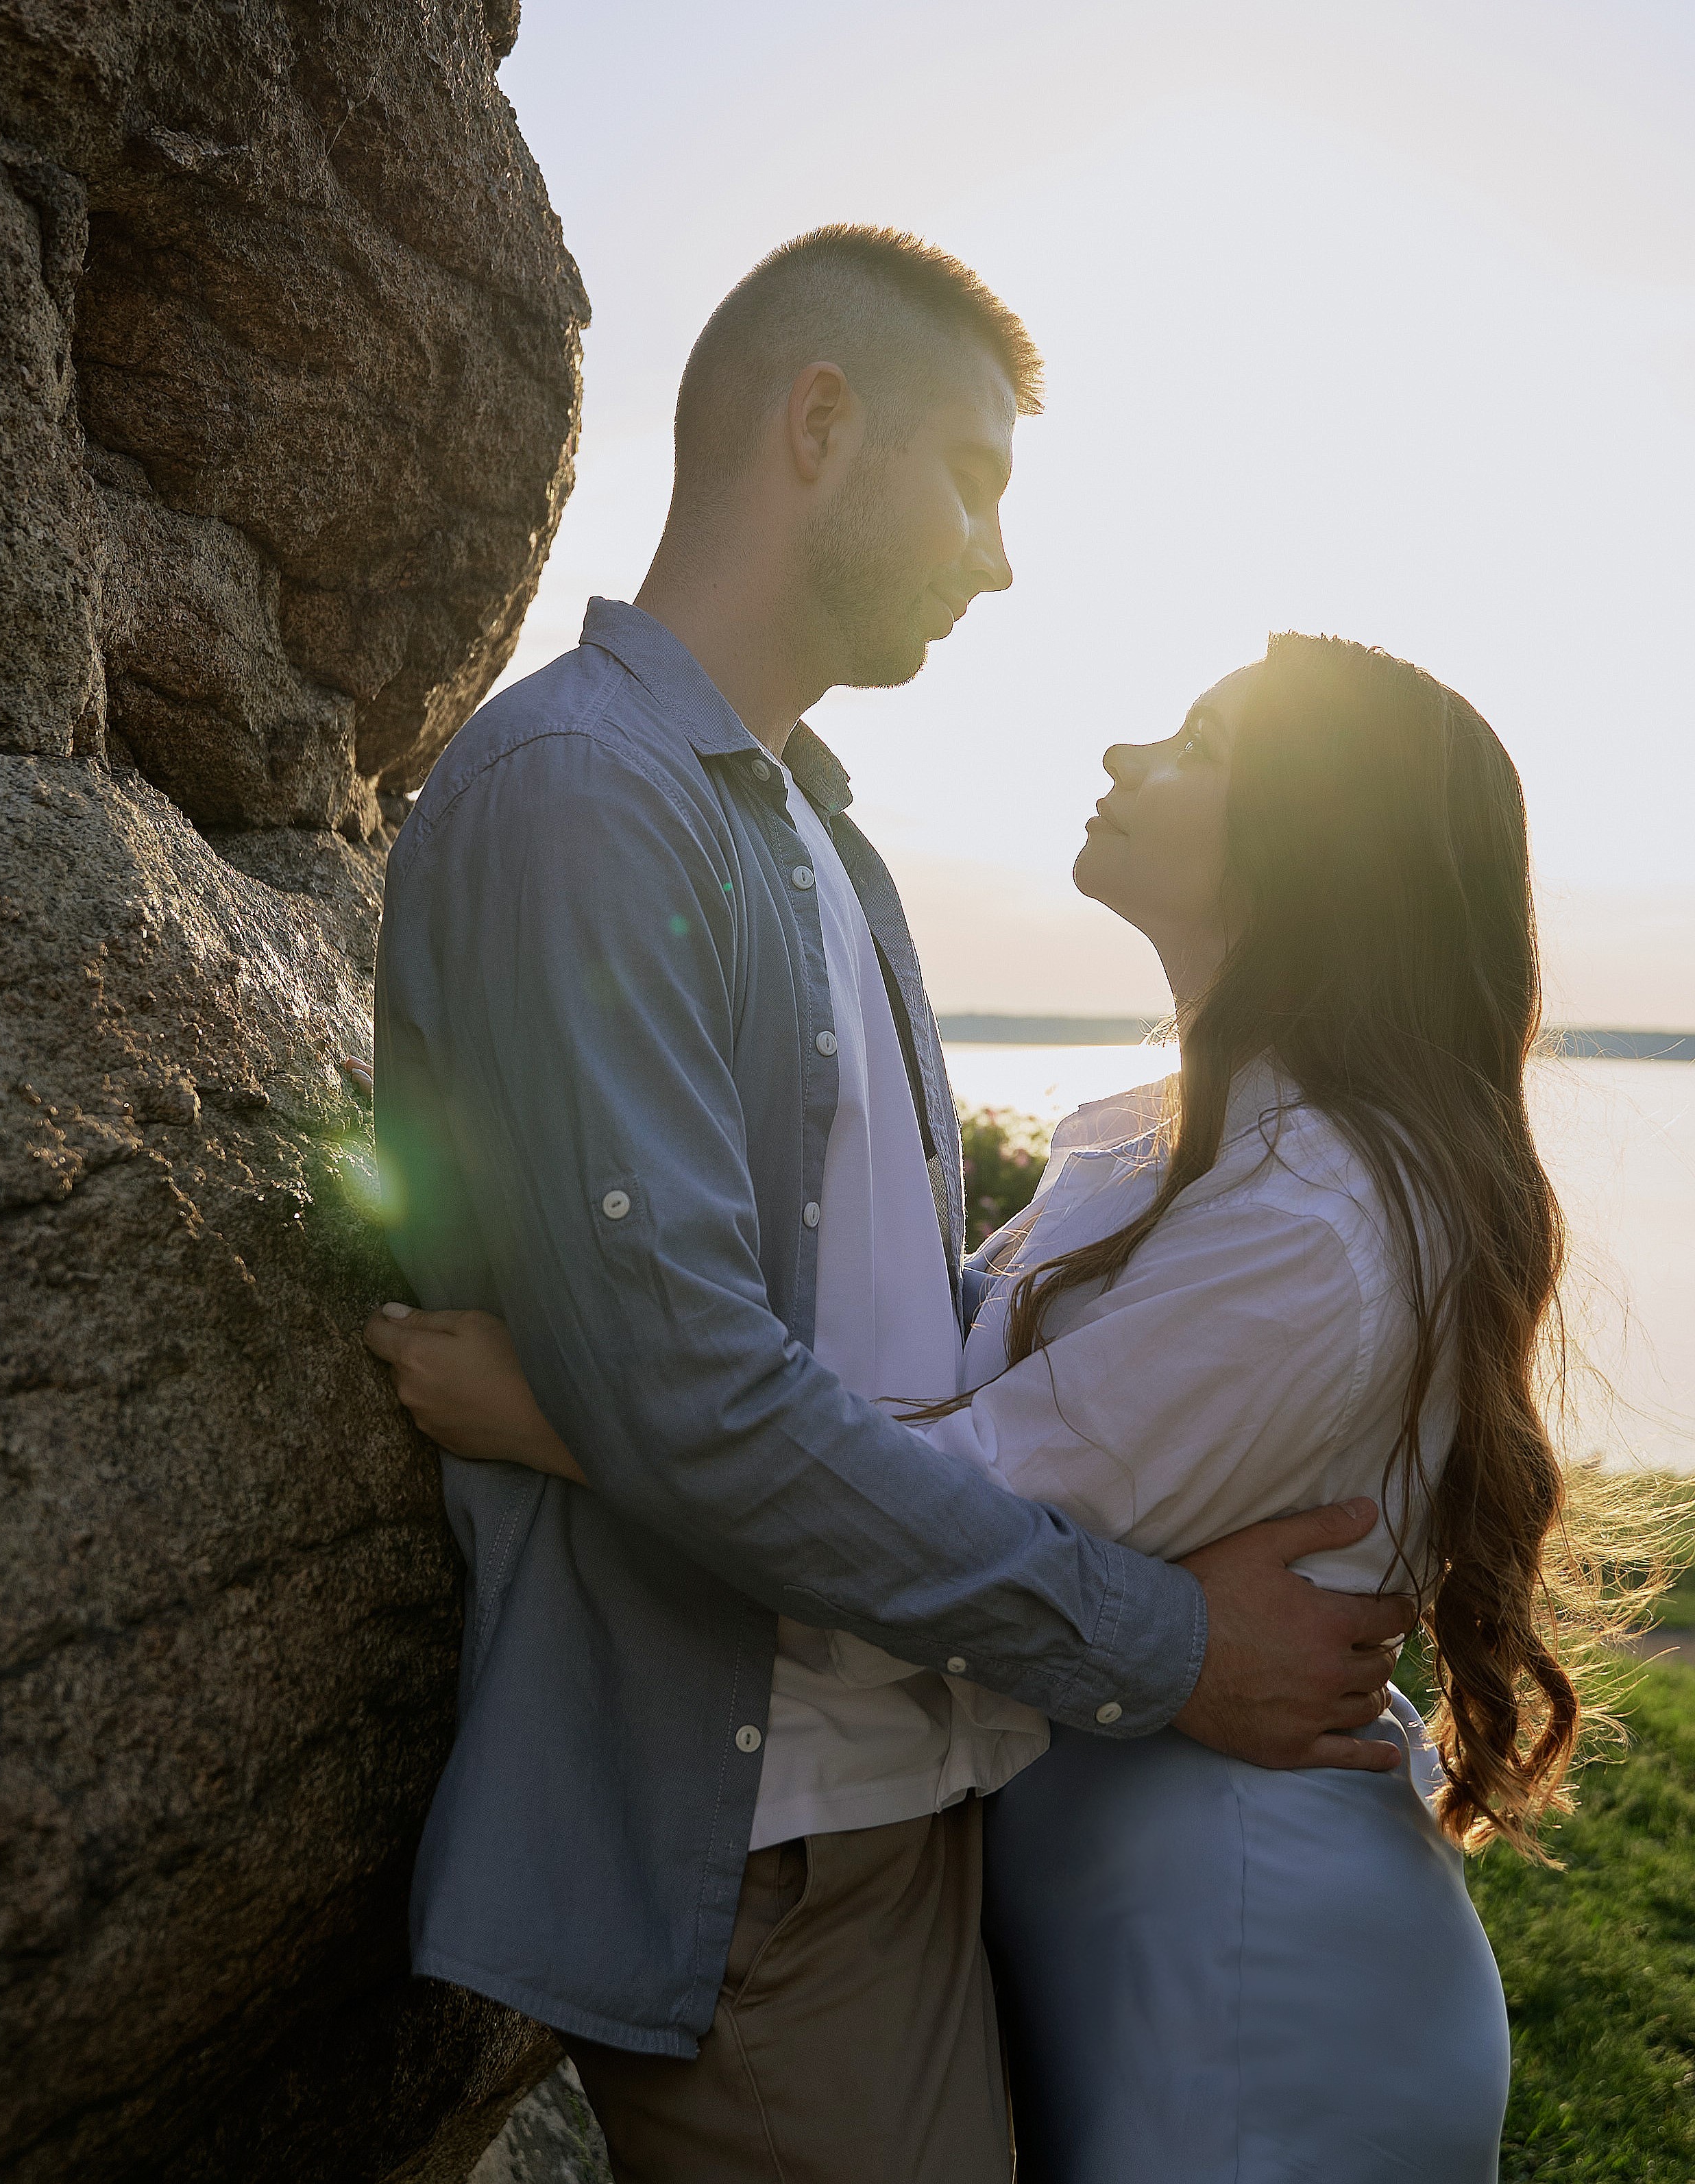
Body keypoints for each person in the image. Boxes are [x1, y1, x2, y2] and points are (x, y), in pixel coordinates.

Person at [366, 226, 1411, 2184]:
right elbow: (705, 1401)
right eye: (979, 478)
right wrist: (1172, 1644)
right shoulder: (586, 799)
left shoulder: (820, 837)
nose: (1000, 557)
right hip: (758, 1841)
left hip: (905, 1791)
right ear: (821, 425)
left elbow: (890, 1330)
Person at [381, 635, 1624, 2180]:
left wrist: (562, 1408)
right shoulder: (1168, 1142)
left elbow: (958, 1497)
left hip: (1250, 1981)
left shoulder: (1316, 1221)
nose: (1126, 757)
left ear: (1313, 843)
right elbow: (896, 1387)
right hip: (1122, 1929)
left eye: (1196, 744)